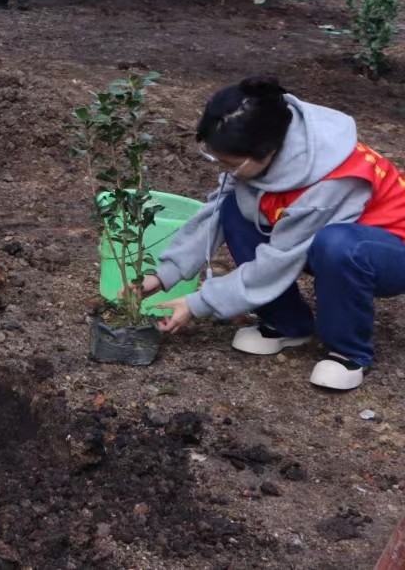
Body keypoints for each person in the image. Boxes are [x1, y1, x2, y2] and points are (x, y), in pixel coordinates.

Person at [143, 77, 405, 392]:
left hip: (388, 252)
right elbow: (215, 212)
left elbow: (279, 259)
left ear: (267, 152)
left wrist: (199, 303)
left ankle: (349, 352)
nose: (224, 170)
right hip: (317, 240)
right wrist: (163, 274)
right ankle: (287, 323)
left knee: (338, 246)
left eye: (230, 163)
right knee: (233, 208)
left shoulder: (332, 181)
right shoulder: (266, 141)